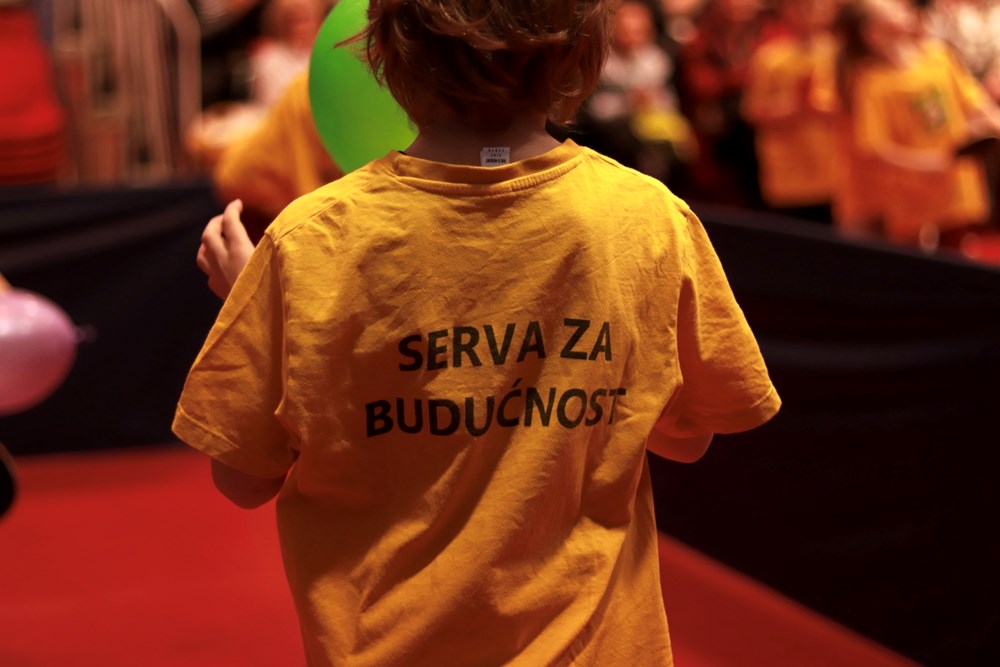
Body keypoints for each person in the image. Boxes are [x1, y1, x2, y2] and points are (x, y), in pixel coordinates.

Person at [175, 0, 781, 665]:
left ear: (388, 56)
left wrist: (255, 300)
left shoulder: (309, 241)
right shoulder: (651, 219)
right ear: (581, 56)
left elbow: (243, 478)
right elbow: (685, 437)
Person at [829, 0, 1000, 249]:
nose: (904, 9)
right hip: (911, 197)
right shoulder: (872, 82)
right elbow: (875, 148)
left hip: (955, 187)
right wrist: (928, 163)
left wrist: (991, 121)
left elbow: (974, 101)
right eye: (893, 10)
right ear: (872, 31)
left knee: (958, 251)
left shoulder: (938, 56)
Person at [741, 0, 838, 223]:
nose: (812, 11)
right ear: (786, 10)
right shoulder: (769, 57)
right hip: (788, 176)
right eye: (802, 6)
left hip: (837, 175)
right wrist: (797, 106)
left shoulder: (840, 54)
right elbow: (753, 112)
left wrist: (816, 107)